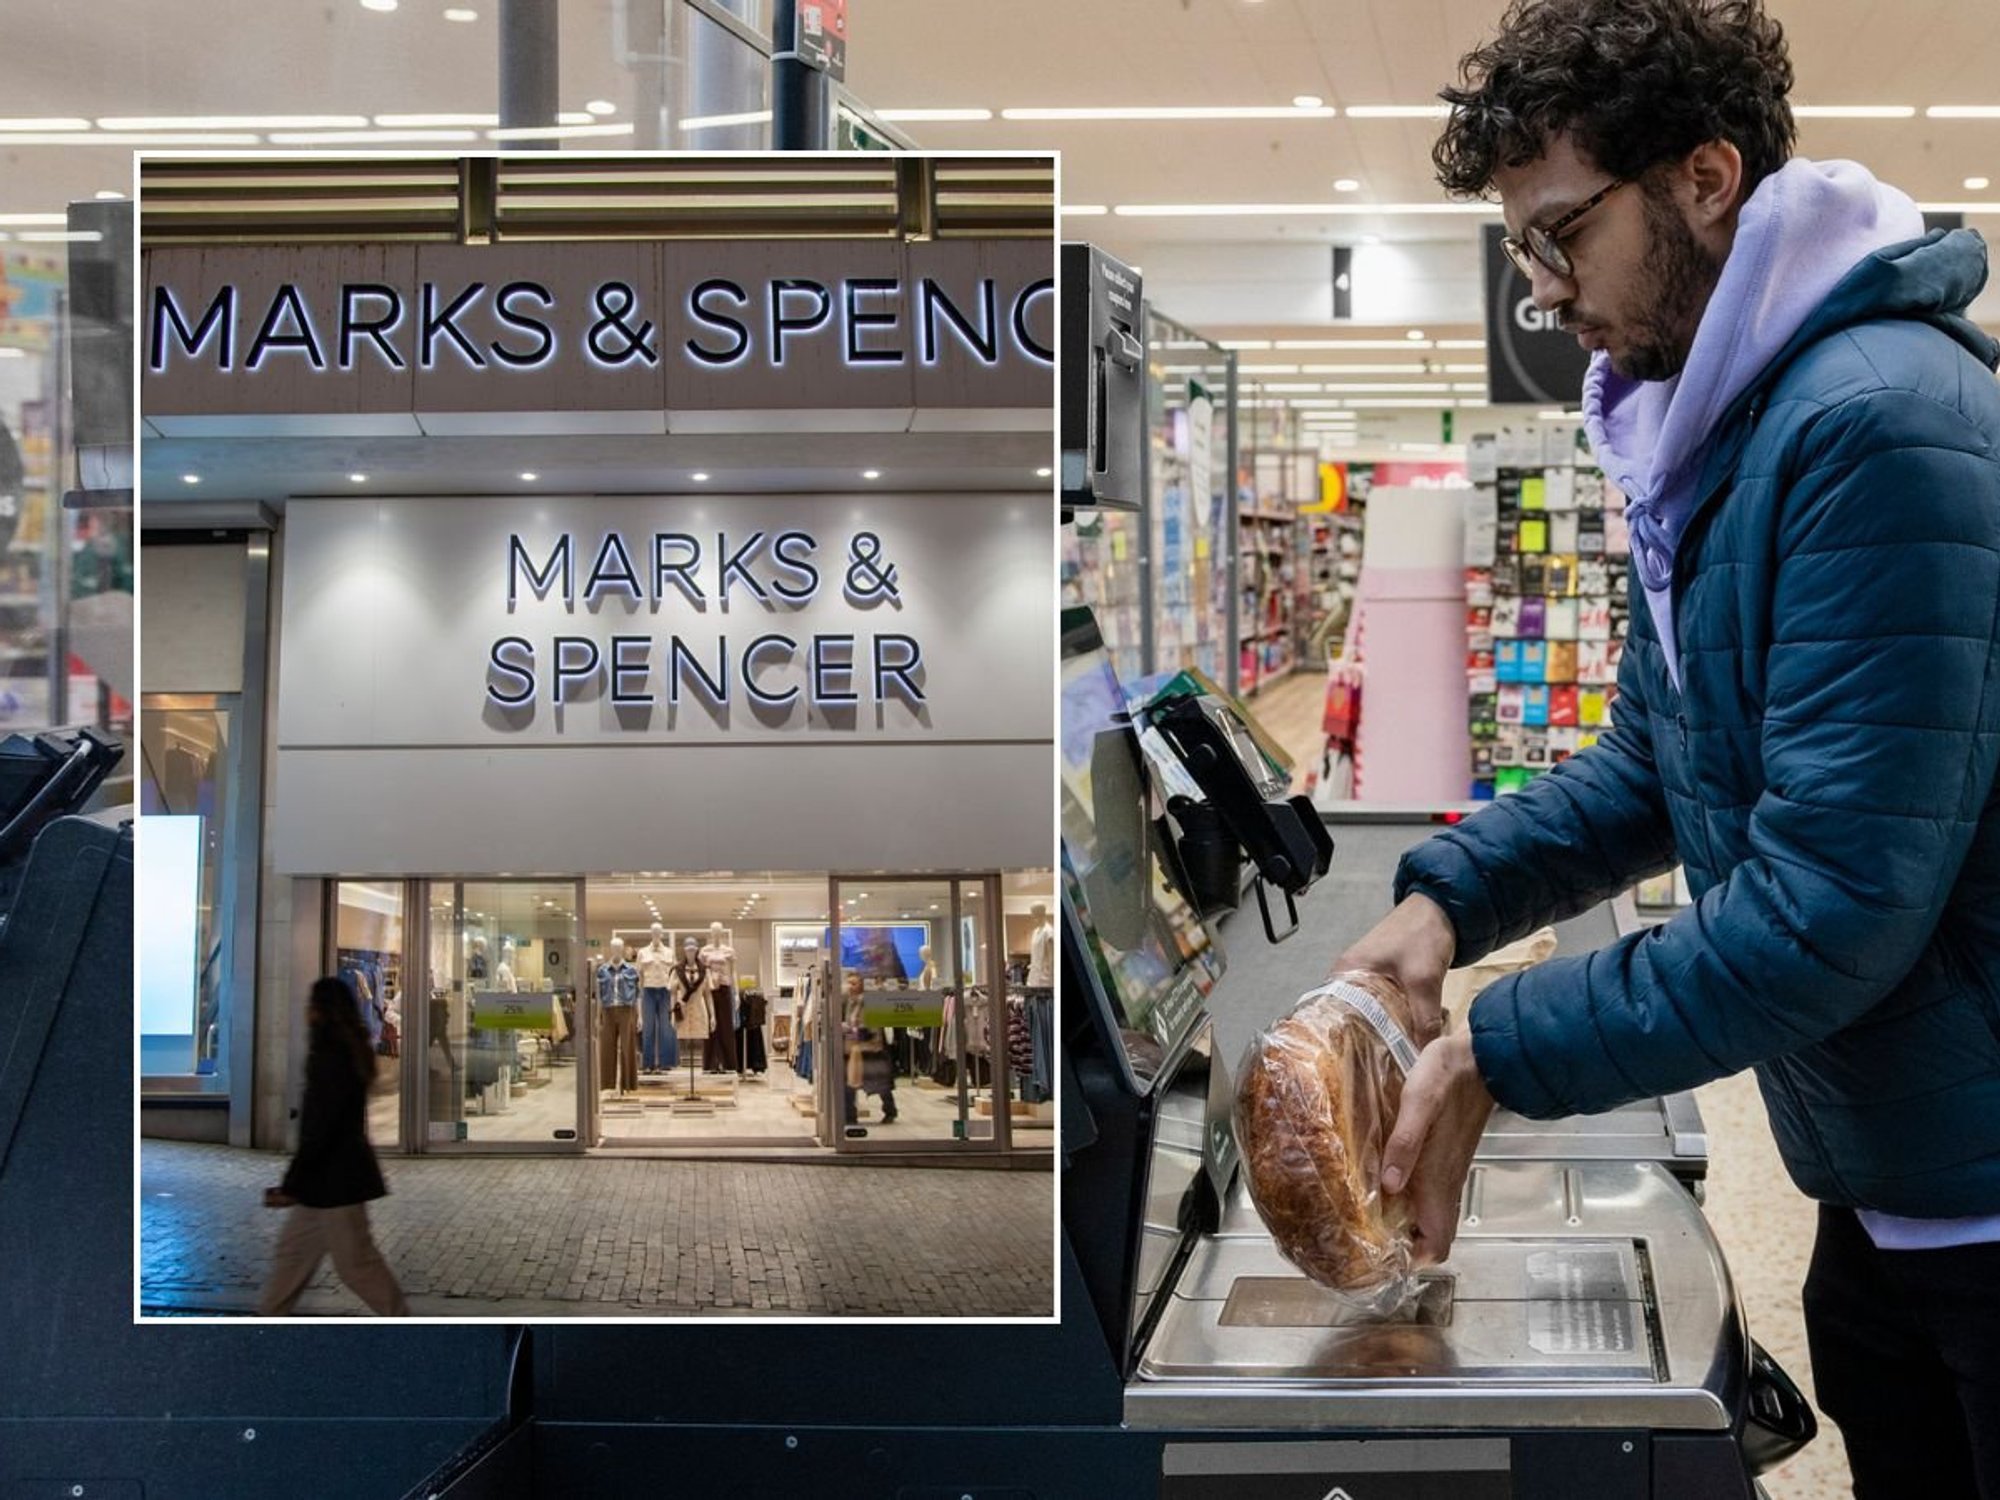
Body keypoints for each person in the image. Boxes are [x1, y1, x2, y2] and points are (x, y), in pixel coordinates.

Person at [1339, 1, 2000, 1492]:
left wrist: (1496, 1049)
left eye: (1563, 231)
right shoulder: (1729, 430)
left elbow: (1831, 907)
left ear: (1706, 180)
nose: (1541, 287)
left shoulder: (1873, 424)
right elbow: (1654, 759)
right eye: (1524, 244)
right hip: (1894, 1173)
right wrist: (1451, 896)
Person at [258, 976, 411, 1316]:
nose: (306, 1013)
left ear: (321, 1010)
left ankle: (401, 1320)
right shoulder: (348, 1050)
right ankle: (267, 1322)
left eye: (310, 1006)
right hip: (324, 1184)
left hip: (335, 1183)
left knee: (356, 1265)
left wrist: (291, 1183)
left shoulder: (329, 1055)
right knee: (293, 1258)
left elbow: (319, 1127)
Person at [842, 972, 897, 1125]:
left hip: (870, 1049)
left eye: (853, 983)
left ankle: (890, 1110)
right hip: (854, 1049)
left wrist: (851, 1029)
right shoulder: (850, 1002)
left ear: (862, 985)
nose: (850, 987)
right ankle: (849, 1116)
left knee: (879, 1083)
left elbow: (872, 1029)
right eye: (849, 983)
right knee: (849, 1083)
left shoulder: (869, 1002)